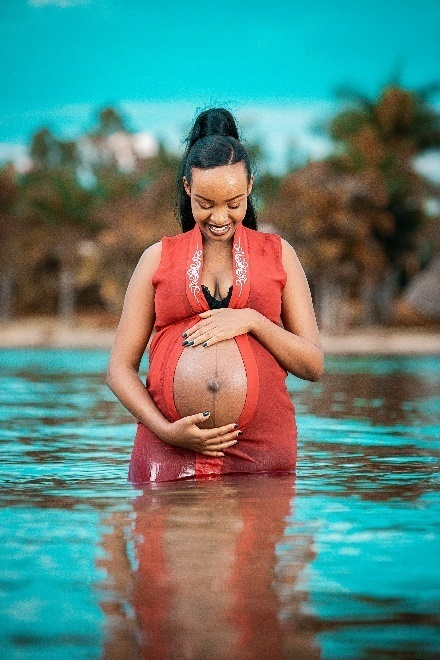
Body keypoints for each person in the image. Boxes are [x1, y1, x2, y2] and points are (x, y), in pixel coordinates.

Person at [106, 108, 324, 483]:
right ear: (188, 188)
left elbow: (313, 366)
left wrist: (253, 321)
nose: (220, 217)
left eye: (234, 203)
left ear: (250, 186)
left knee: (256, 541)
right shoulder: (156, 259)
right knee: (160, 538)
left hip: (260, 452)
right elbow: (118, 371)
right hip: (169, 451)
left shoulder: (279, 254)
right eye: (206, 204)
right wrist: (165, 430)